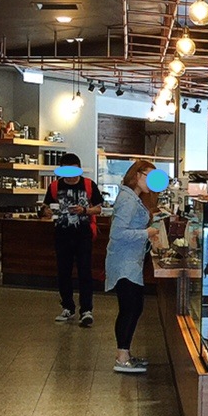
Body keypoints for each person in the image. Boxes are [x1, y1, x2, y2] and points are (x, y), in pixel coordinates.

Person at [106, 159, 161, 374]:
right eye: (150, 176)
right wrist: (147, 233)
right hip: (124, 262)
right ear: (137, 175)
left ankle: (125, 354)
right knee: (130, 308)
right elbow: (117, 233)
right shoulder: (128, 199)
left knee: (133, 307)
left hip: (129, 260)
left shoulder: (133, 197)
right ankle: (121, 357)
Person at [44, 153, 104, 327]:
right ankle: (67, 307)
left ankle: (86, 310)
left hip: (83, 234)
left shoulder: (89, 185)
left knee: (85, 271)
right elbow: (46, 207)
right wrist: (47, 211)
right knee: (63, 272)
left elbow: (99, 208)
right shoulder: (54, 186)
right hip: (62, 234)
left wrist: (84, 211)